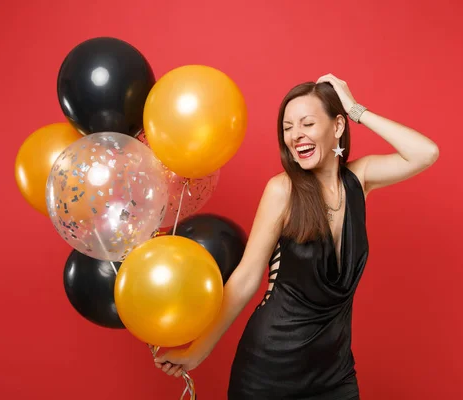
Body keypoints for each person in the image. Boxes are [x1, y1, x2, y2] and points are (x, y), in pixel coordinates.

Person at [153, 73, 440, 399]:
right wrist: (197, 352)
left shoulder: (359, 180)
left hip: (336, 373)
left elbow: (425, 153)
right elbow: (246, 279)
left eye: (306, 124)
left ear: (337, 127)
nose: (295, 136)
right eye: (287, 128)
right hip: (270, 369)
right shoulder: (282, 190)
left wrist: (355, 108)